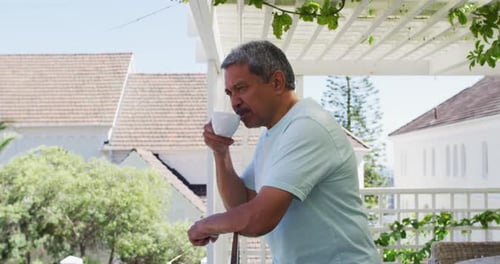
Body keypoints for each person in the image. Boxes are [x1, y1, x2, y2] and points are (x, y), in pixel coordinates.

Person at [187, 40, 381, 263]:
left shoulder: (308, 126)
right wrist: (221, 152)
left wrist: (206, 225)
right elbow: (242, 204)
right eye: (230, 93)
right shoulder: (273, 133)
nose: (234, 102)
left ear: (277, 82)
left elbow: (259, 218)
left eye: (241, 88)